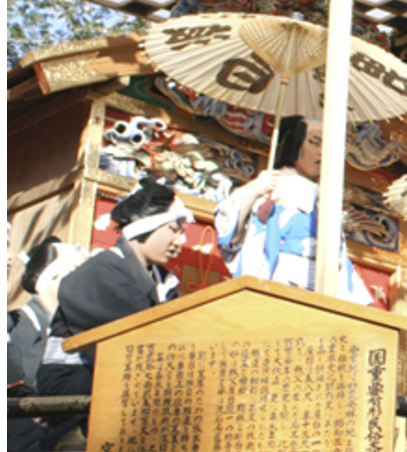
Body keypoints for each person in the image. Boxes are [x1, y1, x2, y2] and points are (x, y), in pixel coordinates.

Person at [37, 178, 187, 419]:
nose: (180, 242)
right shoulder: (101, 270)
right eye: (174, 229)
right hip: (75, 383)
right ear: (146, 224)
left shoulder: (163, 280)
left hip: (121, 378)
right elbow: (135, 344)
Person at [214, 114, 372, 304]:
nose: (322, 153)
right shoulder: (267, 186)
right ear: (293, 144)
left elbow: (338, 257)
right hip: (279, 278)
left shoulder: (325, 197)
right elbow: (230, 232)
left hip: (320, 285)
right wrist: (254, 191)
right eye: (315, 143)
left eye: (327, 147)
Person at [8, 236, 88, 451]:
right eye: (76, 270)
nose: (86, 280)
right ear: (49, 278)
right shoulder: (13, 327)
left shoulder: (84, 330)